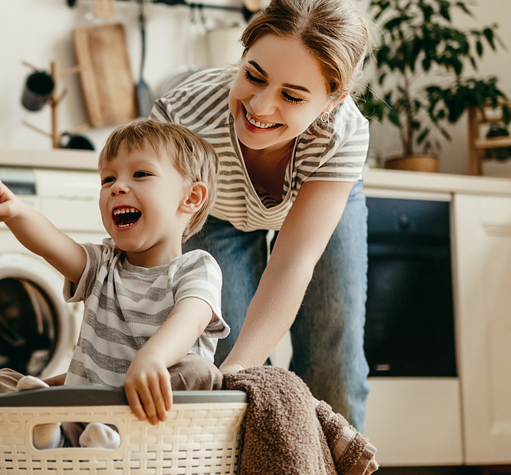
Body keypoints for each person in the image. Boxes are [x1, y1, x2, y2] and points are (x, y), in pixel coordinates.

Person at [151, 0, 373, 429]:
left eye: (292, 95)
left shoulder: (342, 134)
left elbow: (293, 263)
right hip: (215, 214)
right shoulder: (180, 118)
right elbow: (154, 245)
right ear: (242, 55)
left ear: (332, 101)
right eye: (253, 75)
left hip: (314, 205)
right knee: (236, 360)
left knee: (335, 360)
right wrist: (234, 376)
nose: (261, 106)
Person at [0, 119, 229, 448]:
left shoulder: (197, 267)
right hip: (79, 413)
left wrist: (151, 360)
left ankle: (105, 440)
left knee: (201, 373)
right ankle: (53, 438)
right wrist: (16, 212)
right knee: (1, 383)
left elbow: (189, 320)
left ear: (191, 197)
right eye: (108, 179)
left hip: (148, 420)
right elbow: (51, 243)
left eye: (140, 174)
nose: (117, 187)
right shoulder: (103, 264)